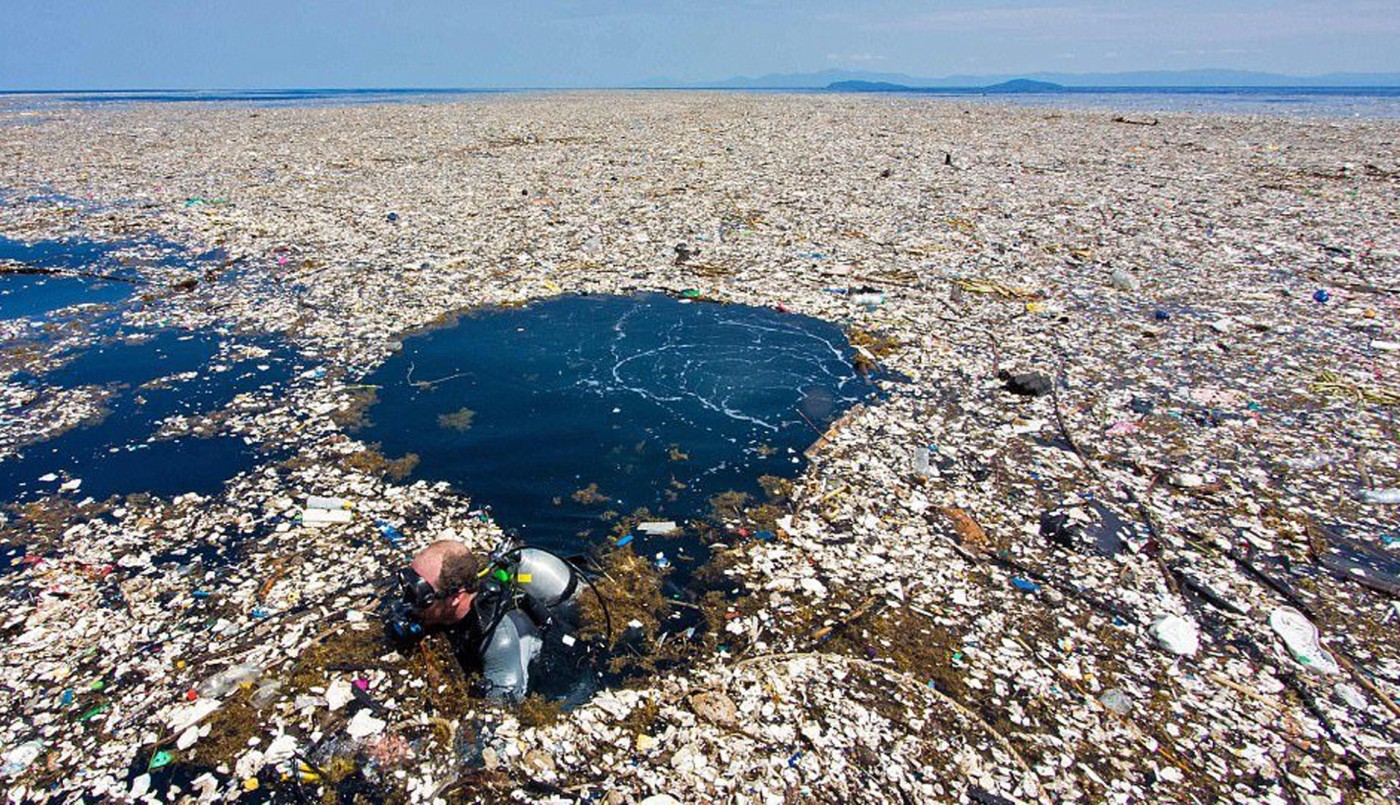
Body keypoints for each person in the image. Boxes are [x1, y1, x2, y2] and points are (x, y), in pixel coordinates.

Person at [389, 537, 587, 701]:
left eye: (420, 595)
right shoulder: (454, 590)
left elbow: (506, 703)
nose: (407, 601)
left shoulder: (498, 638)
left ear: (456, 598)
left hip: (552, 663)